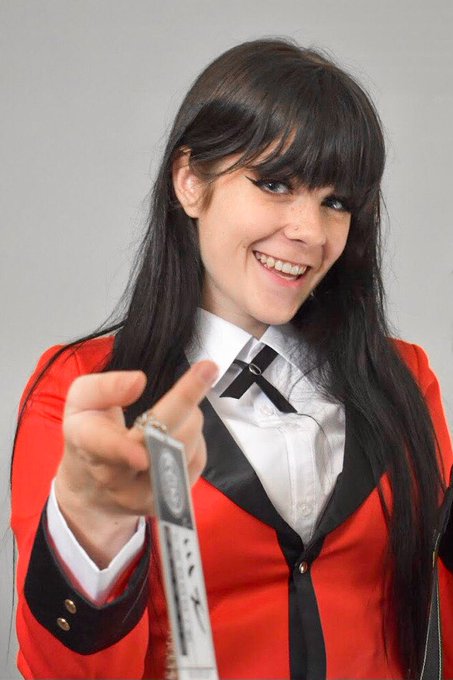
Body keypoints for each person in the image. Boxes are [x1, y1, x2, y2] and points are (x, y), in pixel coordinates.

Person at [11, 37, 453, 680]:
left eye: (336, 201)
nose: (310, 231)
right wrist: (93, 528)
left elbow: (438, 618)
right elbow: (63, 671)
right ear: (191, 181)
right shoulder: (88, 389)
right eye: (275, 183)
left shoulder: (403, 378)